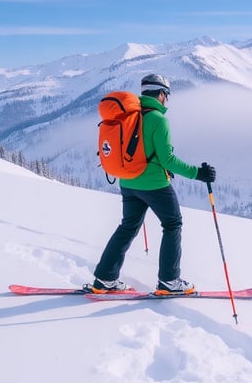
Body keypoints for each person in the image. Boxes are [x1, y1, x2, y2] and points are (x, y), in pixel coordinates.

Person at [87, 73, 216, 294]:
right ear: (161, 94)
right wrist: (198, 173)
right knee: (172, 224)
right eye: (167, 95)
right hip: (155, 186)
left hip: (127, 182)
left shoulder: (130, 116)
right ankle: (169, 280)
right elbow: (168, 160)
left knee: (127, 227)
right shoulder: (158, 119)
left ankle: (105, 279)